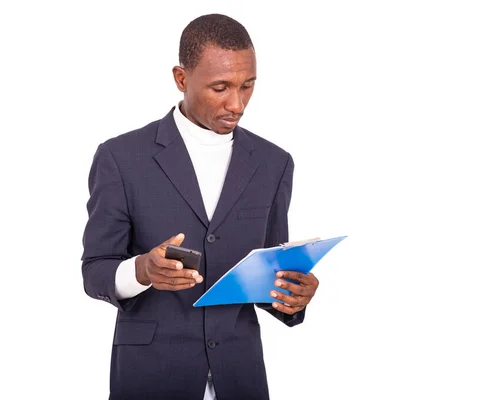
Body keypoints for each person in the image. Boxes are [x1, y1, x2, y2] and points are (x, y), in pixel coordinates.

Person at [81, 13, 321, 400]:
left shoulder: (274, 163)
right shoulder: (121, 158)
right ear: (181, 79)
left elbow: (268, 273)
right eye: (220, 87)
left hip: (240, 376)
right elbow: (95, 271)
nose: (237, 103)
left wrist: (290, 297)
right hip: (150, 376)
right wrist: (142, 270)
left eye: (248, 86)